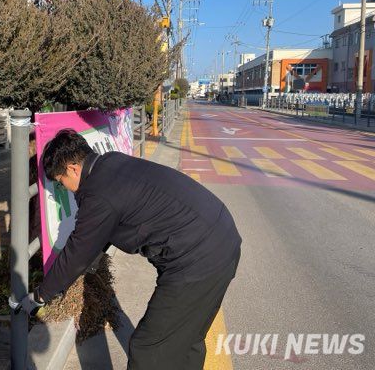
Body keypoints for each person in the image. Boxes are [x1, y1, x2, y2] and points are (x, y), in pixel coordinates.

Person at [18, 129, 241, 370]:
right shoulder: (110, 162)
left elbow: (77, 252)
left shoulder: (98, 194)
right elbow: (107, 227)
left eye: (61, 183)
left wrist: (40, 296)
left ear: (72, 169)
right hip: (223, 234)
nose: (66, 189)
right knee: (187, 338)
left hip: (197, 259)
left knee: (148, 348)